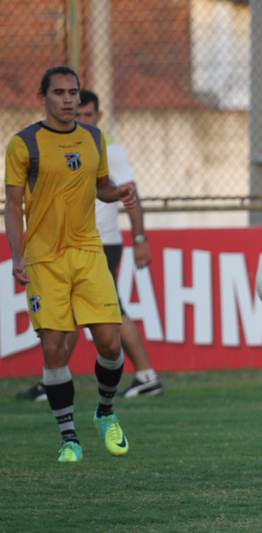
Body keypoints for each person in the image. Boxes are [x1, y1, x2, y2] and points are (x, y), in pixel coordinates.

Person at [4, 66, 138, 462]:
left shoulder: (94, 138)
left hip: (88, 251)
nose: (68, 99)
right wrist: (16, 253)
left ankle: (106, 413)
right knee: (55, 347)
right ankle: (69, 438)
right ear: (42, 96)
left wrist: (119, 193)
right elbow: (12, 206)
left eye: (73, 92)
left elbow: (100, 187)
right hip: (44, 258)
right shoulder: (23, 143)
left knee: (111, 343)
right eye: (59, 92)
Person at [15, 89, 164, 402]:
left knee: (103, 314)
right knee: (87, 313)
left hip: (100, 241)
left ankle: (60, 377)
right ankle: (142, 375)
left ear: (97, 116)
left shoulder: (106, 145)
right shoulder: (43, 143)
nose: (80, 118)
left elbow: (129, 195)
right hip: (65, 245)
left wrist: (140, 239)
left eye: (87, 114)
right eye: (77, 112)